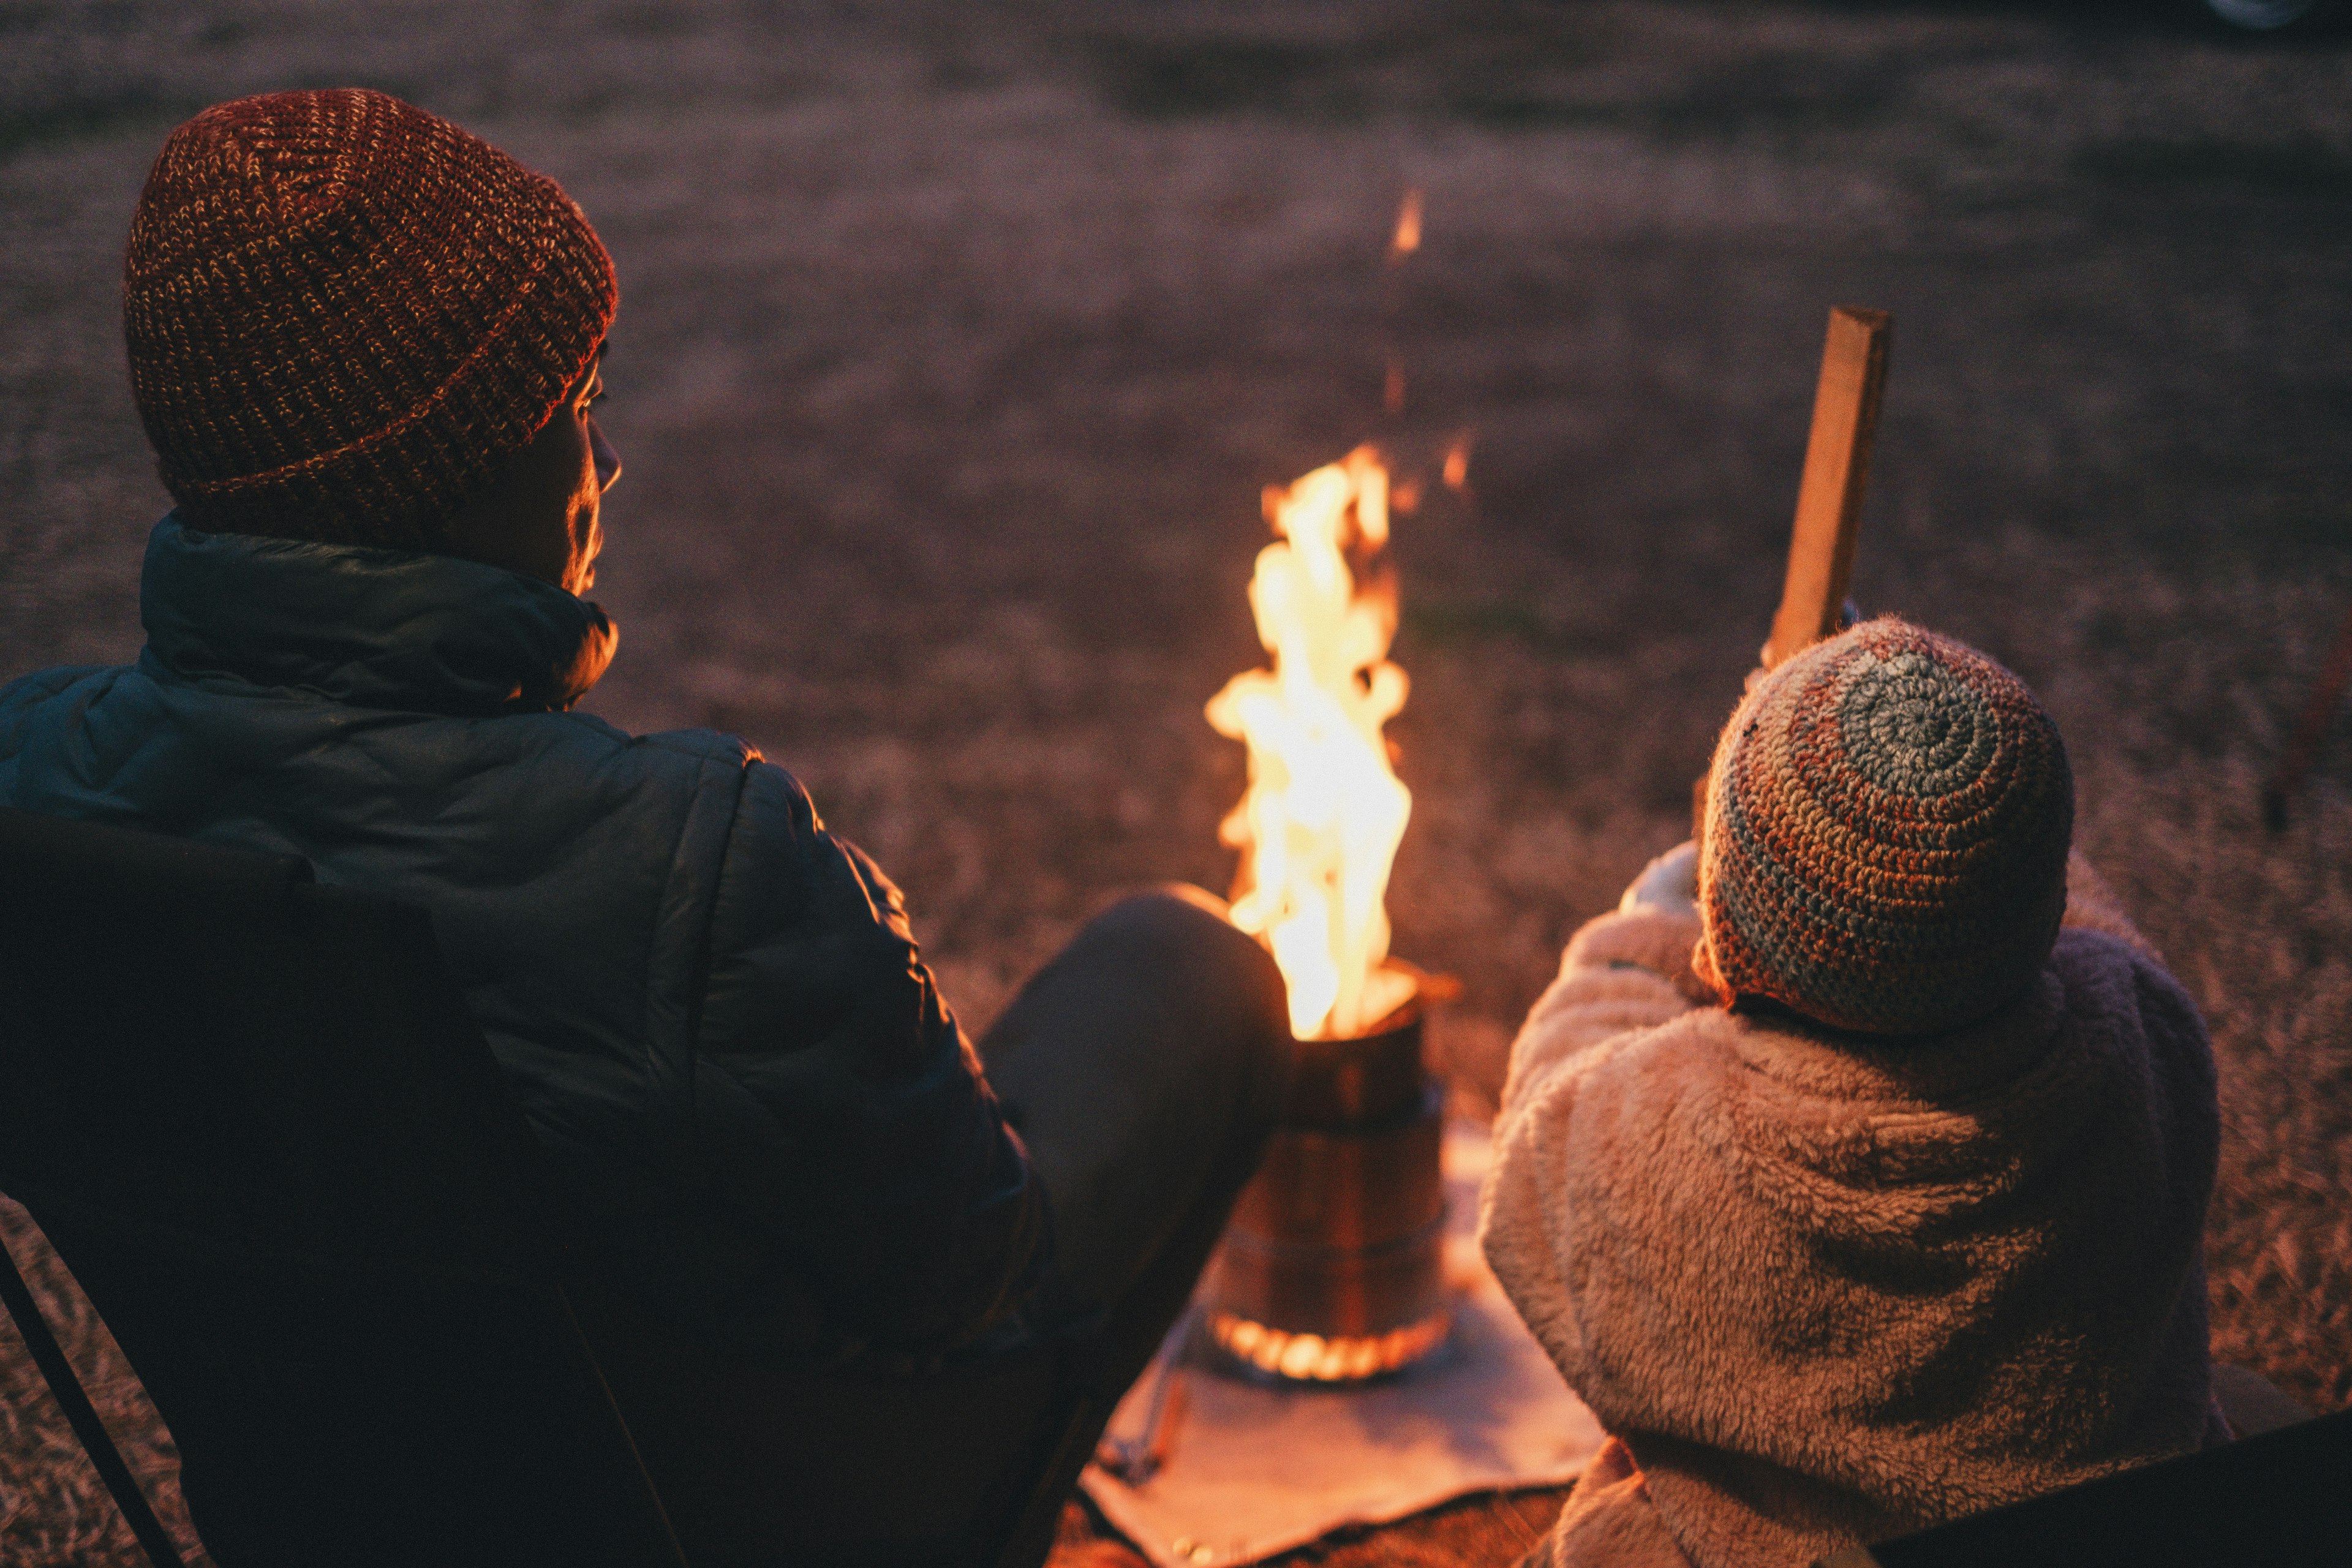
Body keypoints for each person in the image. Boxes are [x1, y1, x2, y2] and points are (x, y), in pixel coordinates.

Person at [0, 88, 1292, 1562]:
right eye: (571, 406)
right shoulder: (687, 859)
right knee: (1194, 968)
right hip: (765, 1512)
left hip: (318, 1502)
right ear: (453, 473)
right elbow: (965, 1271)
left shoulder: (32, 788)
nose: (603, 464)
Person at [1479, 617, 2234, 1567]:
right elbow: (2079, 915)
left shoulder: (1664, 1150)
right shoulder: (2143, 1046)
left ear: (1724, 952)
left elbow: (1542, 1135)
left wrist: (1633, 942)